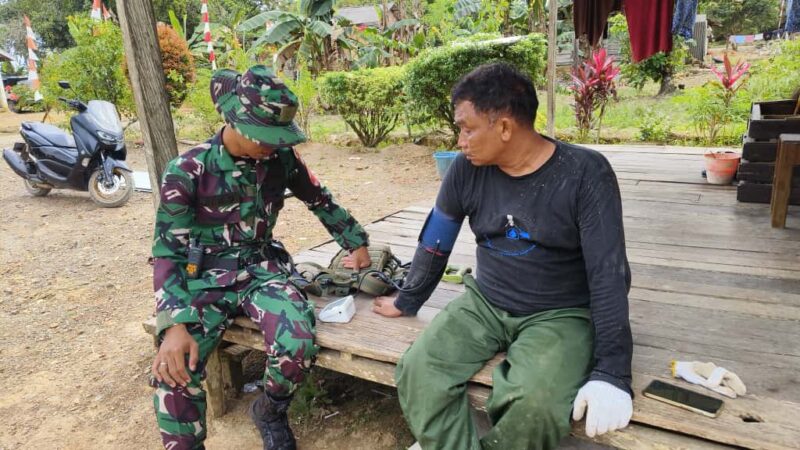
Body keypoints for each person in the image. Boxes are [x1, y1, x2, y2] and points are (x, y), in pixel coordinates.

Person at [373, 62, 634, 449]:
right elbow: (435, 242)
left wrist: (613, 372)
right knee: (419, 370)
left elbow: (609, 274)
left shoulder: (585, 173)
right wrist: (407, 299)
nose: (460, 140)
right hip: (486, 302)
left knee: (534, 404)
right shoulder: (465, 170)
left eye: (467, 128)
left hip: (560, 314)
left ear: (506, 128)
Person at [149, 65, 371, 450]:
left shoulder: (281, 158)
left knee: (297, 343)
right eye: (266, 136)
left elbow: (319, 199)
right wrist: (174, 324)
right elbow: (167, 251)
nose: (273, 145)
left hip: (262, 270)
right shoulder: (188, 170)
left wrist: (356, 241)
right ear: (236, 123)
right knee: (174, 374)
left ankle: (269, 411)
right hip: (204, 279)